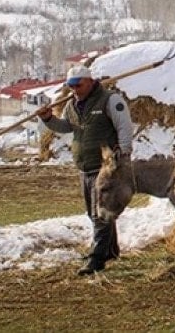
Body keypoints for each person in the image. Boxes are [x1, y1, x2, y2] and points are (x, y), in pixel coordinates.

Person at [36, 65, 134, 275]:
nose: (74, 90)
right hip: (85, 166)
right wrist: (48, 119)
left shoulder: (110, 100)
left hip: (105, 167)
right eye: (71, 86)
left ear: (90, 81)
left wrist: (124, 154)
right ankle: (110, 250)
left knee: (100, 214)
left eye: (78, 85)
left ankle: (96, 258)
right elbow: (66, 127)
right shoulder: (71, 105)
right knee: (94, 213)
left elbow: (124, 127)